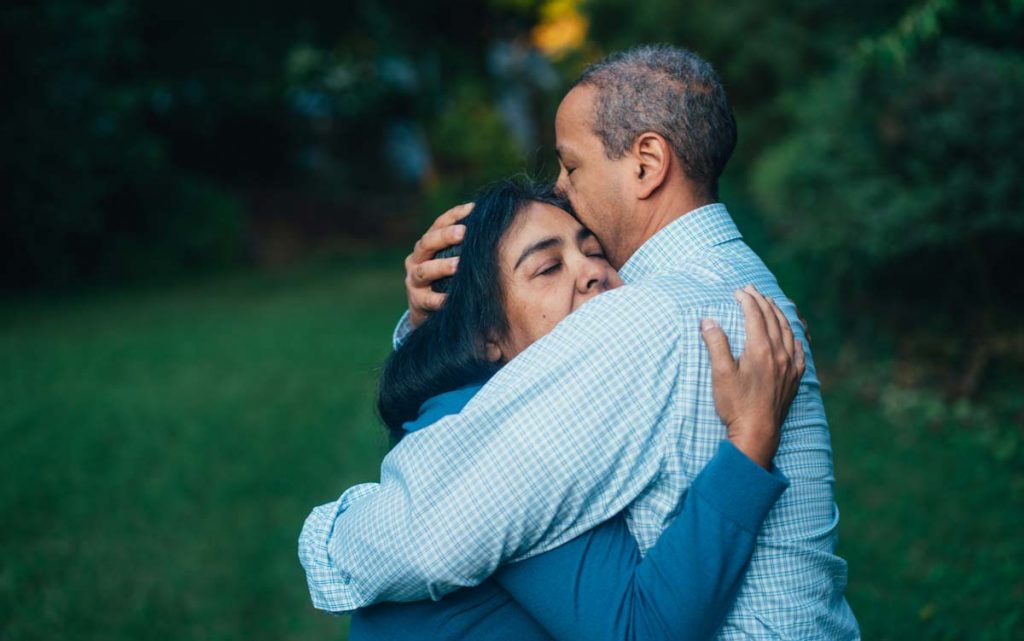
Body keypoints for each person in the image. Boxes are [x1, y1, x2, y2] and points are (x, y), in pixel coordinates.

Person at [301, 45, 859, 639]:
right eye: (548, 266)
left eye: (571, 166)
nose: (562, 189)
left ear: (646, 163)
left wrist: (327, 538)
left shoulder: (647, 315)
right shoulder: (742, 283)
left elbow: (428, 533)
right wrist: (439, 320)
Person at [338, 179, 799, 640]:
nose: (592, 272)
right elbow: (642, 630)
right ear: (486, 336)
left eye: (594, 251)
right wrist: (751, 439)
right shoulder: (508, 441)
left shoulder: (490, 403)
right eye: (548, 268)